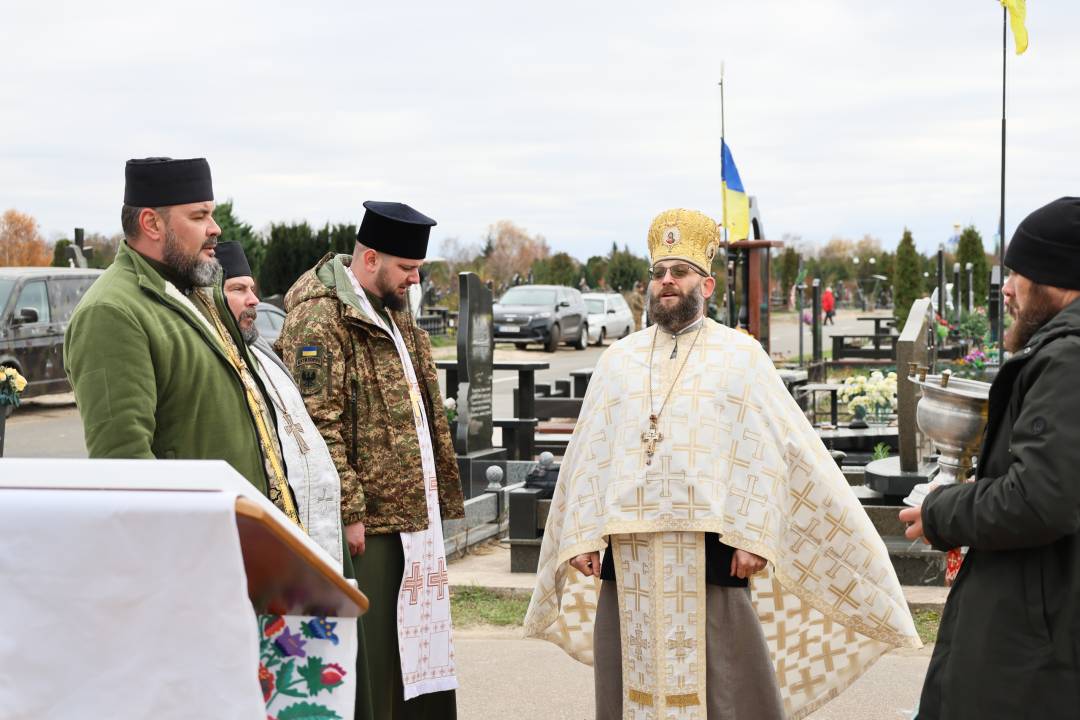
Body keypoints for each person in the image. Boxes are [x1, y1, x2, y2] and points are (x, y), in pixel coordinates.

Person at [524, 208, 919, 719]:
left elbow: (771, 450)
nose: (667, 282)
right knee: (628, 684)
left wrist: (755, 536)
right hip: (629, 554)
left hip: (711, 549)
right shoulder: (617, 359)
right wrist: (581, 533)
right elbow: (589, 453)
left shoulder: (740, 356)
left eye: (680, 272)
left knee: (726, 688)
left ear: (706, 284)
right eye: (660, 272)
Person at [276, 201, 465, 719]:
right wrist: (351, 510)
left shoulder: (390, 306)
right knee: (375, 663)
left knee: (410, 662)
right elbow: (316, 423)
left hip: (409, 517)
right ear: (370, 258)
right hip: (371, 524)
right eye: (406, 269)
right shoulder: (320, 315)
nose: (414, 279)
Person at [900, 197, 1080, 720]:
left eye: (1018, 272)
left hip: (1032, 653)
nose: (1008, 287)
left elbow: (1040, 499)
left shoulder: (1068, 360)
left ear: (1061, 277)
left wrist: (942, 511)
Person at [64, 158, 299, 524]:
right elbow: (124, 467)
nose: (215, 228)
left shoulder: (194, 290)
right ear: (152, 224)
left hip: (245, 536)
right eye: (199, 216)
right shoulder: (112, 311)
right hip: (198, 550)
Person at [215, 240, 373, 720]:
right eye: (237, 289)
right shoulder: (225, 359)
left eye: (252, 289)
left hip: (306, 530)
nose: (250, 300)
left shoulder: (263, 354)